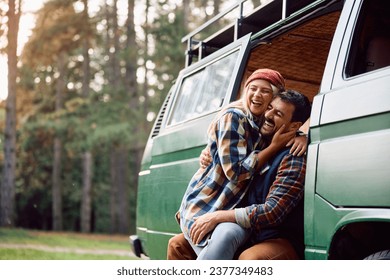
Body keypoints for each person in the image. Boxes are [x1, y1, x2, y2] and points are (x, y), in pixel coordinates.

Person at [177, 68, 307, 259]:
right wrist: (210, 149)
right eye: (270, 108)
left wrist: (304, 137)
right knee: (177, 244)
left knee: (243, 253)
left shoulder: (291, 153)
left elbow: (273, 212)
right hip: (221, 211)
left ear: (294, 126)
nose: (269, 115)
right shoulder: (249, 128)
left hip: (269, 232)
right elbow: (234, 168)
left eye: (277, 113)